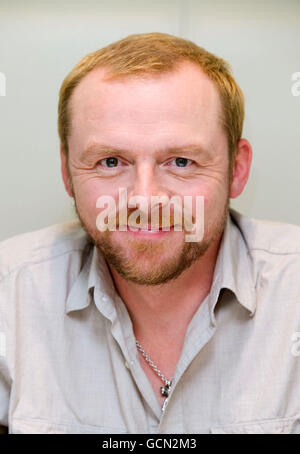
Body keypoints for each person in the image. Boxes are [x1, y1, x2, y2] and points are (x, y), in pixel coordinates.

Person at [1, 32, 300, 435]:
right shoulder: (11, 296)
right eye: (110, 162)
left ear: (237, 168)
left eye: (181, 161)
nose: (145, 199)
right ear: (67, 171)